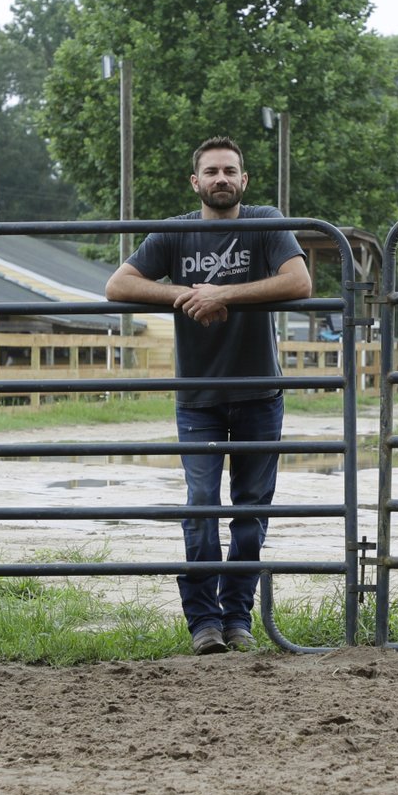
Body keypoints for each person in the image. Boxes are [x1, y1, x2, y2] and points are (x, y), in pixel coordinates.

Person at [105, 136, 311, 654]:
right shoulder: (175, 232)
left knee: (251, 512)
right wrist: (184, 294)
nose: (222, 179)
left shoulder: (265, 222)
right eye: (212, 172)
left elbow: (299, 281)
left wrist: (224, 294)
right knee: (201, 505)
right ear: (195, 181)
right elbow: (118, 285)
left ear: (244, 180)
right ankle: (203, 623)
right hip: (197, 396)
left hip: (260, 393)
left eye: (230, 171)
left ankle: (238, 618)